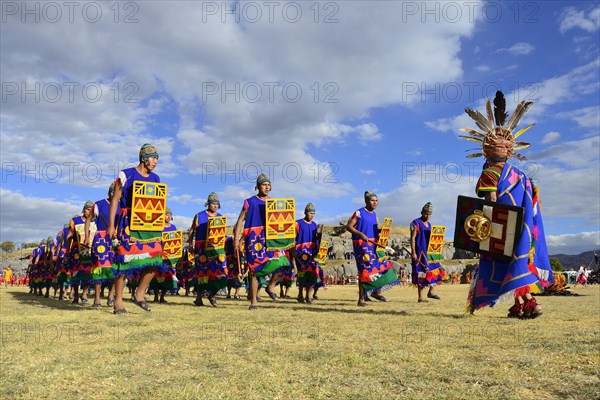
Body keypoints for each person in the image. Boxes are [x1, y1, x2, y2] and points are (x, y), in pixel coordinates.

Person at [460, 91, 554, 318]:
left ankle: (531, 303)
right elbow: (535, 203)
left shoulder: (489, 175)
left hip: (500, 230)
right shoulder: (520, 176)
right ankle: (520, 305)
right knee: (513, 266)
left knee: (501, 267)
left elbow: (491, 203)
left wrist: (483, 233)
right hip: (522, 230)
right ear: (509, 152)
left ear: (486, 151)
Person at [107, 143, 164, 314]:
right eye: (154, 158)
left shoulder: (156, 179)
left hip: (149, 225)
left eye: (157, 158)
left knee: (156, 259)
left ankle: (139, 293)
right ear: (144, 158)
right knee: (124, 262)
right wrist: (111, 225)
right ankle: (118, 302)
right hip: (128, 223)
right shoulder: (126, 175)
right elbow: (115, 199)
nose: (156, 162)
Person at [233, 174, 290, 310]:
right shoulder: (250, 202)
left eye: (269, 185)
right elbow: (240, 220)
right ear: (257, 187)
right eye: (264, 185)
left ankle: (270, 286)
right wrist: (236, 239)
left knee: (283, 263)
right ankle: (253, 302)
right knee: (254, 270)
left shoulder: (274, 204)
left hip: (271, 239)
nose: (267, 187)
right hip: (254, 239)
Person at [345, 191, 399, 307]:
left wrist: (383, 231)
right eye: (372, 200)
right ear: (366, 201)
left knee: (378, 268)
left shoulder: (375, 215)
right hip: (361, 245)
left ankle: (375, 292)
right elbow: (348, 226)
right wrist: (360, 234)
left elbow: (374, 230)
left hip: (373, 245)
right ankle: (361, 299)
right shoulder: (359, 213)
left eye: (376, 200)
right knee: (364, 271)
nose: (375, 203)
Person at [188, 193, 228, 307]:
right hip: (201, 248)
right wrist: (191, 243)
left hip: (217, 249)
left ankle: (212, 295)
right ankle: (198, 298)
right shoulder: (199, 215)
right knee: (201, 274)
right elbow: (192, 230)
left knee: (221, 273)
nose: (215, 206)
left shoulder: (220, 218)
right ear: (208, 204)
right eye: (212, 204)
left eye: (216, 204)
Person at [85, 183, 118, 307]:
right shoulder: (99, 204)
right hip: (101, 239)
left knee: (116, 267)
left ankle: (111, 295)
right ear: (110, 192)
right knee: (99, 267)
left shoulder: (122, 205)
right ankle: (97, 299)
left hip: (116, 239)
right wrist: (88, 236)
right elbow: (88, 219)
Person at [410, 202, 445, 302]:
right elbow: (412, 238)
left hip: (430, 253)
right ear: (421, 212)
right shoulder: (416, 223)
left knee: (437, 270)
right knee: (422, 273)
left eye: (429, 214)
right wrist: (413, 252)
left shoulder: (429, 225)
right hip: (420, 252)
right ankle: (421, 297)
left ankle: (431, 292)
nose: (428, 216)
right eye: (426, 213)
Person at [65, 204, 95, 304]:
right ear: (83, 210)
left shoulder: (95, 221)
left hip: (91, 250)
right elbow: (69, 235)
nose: (89, 212)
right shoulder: (75, 221)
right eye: (87, 210)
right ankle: (76, 295)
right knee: (76, 272)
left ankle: (84, 293)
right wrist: (67, 250)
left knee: (89, 273)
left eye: (91, 210)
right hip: (76, 250)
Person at [294, 203, 323, 304]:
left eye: (313, 214)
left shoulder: (315, 225)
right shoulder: (297, 224)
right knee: (302, 273)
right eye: (310, 213)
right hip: (300, 251)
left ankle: (308, 296)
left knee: (311, 274)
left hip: (311, 252)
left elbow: (316, 239)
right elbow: (293, 239)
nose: (312, 215)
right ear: (305, 213)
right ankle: (300, 294)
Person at [151, 208, 179, 303]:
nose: (168, 216)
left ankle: (162, 296)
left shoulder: (173, 227)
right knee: (156, 275)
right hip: (158, 253)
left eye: (169, 215)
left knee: (167, 276)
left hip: (169, 255)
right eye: (166, 214)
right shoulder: (158, 227)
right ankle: (155, 296)